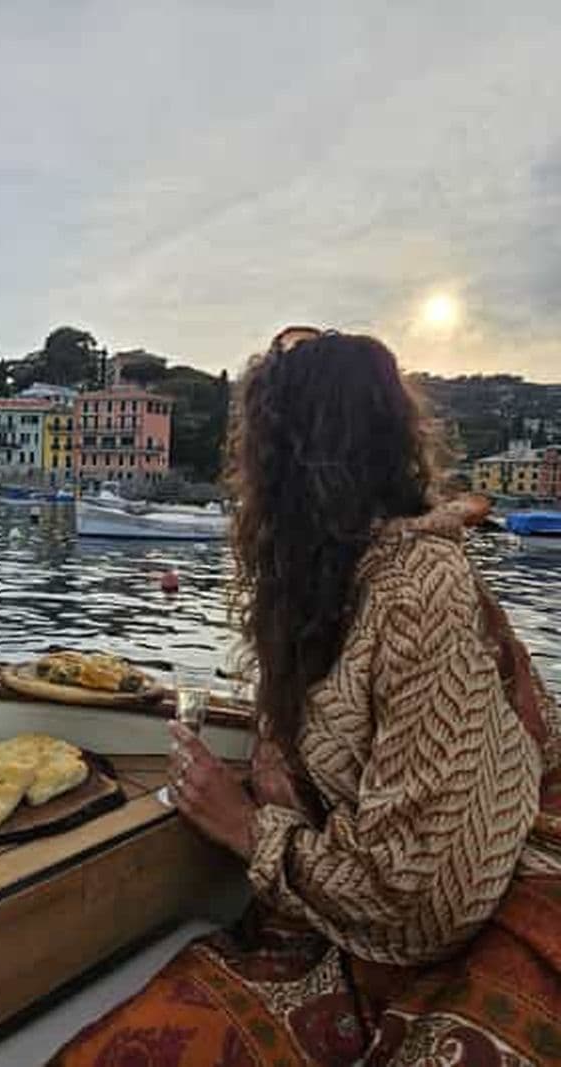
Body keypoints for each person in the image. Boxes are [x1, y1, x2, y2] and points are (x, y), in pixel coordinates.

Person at [49, 328, 561, 1066]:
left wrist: (249, 830)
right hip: (376, 900)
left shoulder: (419, 589)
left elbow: (428, 903)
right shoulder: (327, 592)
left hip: (512, 898)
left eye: (253, 456)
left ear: (288, 464)